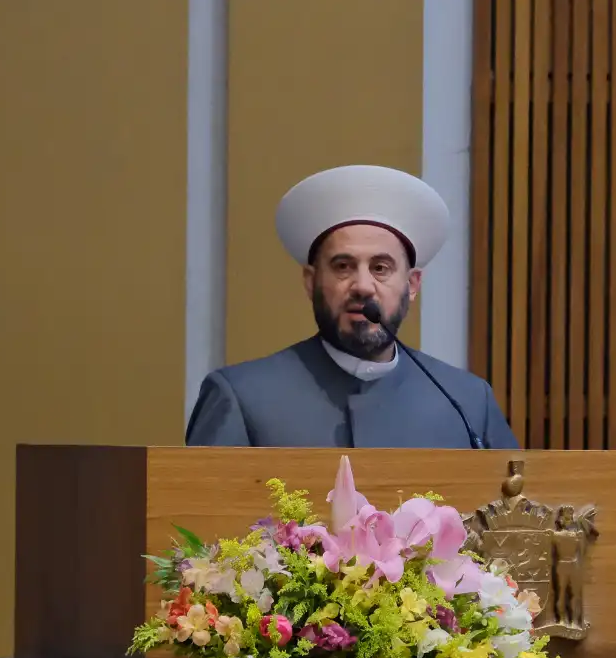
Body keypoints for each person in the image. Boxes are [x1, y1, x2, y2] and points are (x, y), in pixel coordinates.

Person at [185, 164, 518, 450]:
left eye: (380, 268)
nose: (362, 286)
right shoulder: (243, 396)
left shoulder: (466, 402)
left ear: (412, 284)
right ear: (311, 281)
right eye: (343, 267)